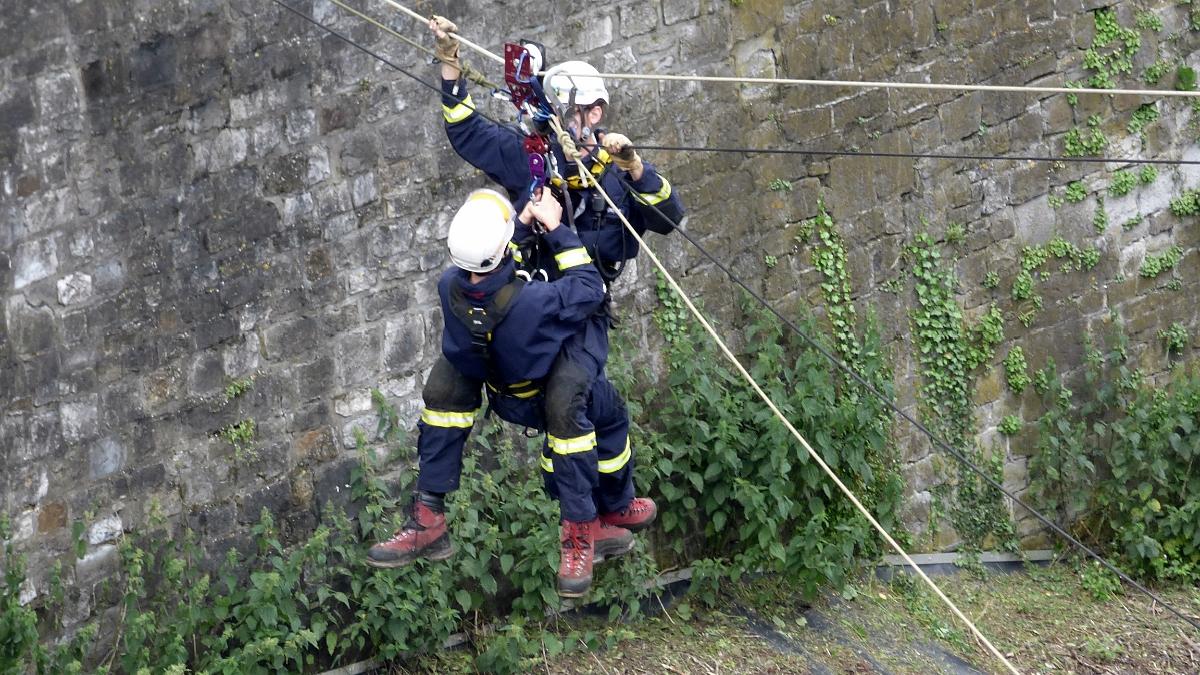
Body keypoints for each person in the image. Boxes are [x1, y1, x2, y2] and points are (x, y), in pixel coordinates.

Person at [367, 189, 654, 597]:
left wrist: (517, 225)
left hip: (501, 396)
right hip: (546, 399)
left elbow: (498, 268)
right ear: (502, 250)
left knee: (446, 385)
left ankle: (428, 511)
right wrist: (555, 228)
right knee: (601, 417)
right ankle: (586, 527)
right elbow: (590, 288)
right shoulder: (535, 301)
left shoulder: (450, 287)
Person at [428, 15, 685, 282]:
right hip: (535, 301)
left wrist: (636, 169)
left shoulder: (619, 172)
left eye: (566, 114)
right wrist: (450, 60)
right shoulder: (533, 156)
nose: (557, 123)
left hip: (587, 308)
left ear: (594, 114)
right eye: (553, 113)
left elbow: (668, 220)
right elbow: (466, 130)